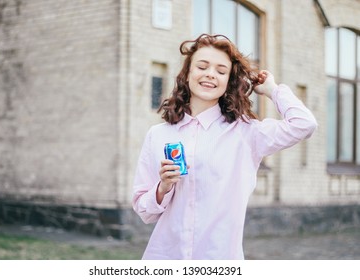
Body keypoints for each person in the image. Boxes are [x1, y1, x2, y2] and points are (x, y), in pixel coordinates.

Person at [132, 34, 317, 260]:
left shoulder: (247, 134)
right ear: (187, 74)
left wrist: (272, 90)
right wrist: (163, 188)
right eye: (202, 66)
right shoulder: (158, 135)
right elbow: (144, 211)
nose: (210, 74)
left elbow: (304, 124)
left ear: (228, 81)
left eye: (221, 71)